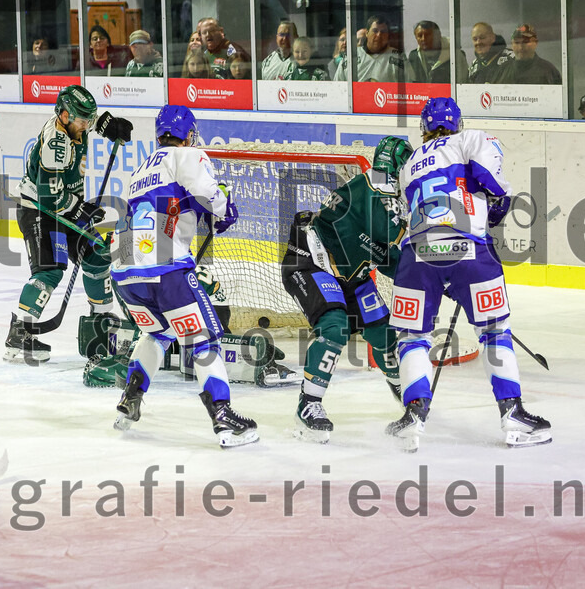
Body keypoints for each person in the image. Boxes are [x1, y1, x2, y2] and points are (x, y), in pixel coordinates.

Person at [386, 97, 552, 452]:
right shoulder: (471, 138)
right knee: (493, 330)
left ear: (424, 128)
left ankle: (413, 415)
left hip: (416, 255)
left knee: (412, 337)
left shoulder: (409, 165)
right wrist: (497, 208)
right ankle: (513, 415)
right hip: (468, 250)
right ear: (457, 123)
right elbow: (492, 183)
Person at [109, 104, 258, 448]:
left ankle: (130, 398)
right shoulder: (187, 154)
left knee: (157, 333)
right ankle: (222, 415)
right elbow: (207, 193)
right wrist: (223, 209)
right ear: (188, 134)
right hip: (164, 266)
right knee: (204, 340)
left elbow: (169, 208)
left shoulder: (141, 169)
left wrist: (206, 214)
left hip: (125, 266)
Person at [281, 136, 412, 442]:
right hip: (313, 261)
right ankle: (309, 404)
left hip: (351, 270)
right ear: (398, 166)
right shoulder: (379, 187)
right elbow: (390, 244)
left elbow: (384, 256)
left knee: (383, 330)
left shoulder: (385, 190)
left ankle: (403, 389)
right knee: (335, 327)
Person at [4, 85, 134, 362]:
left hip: (66, 210)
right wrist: (82, 209)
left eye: (89, 119)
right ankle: (20, 333)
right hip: (41, 210)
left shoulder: (76, 122)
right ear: (63, 115)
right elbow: (51, 199)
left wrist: (111, 125)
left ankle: (99, 325)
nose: (86, 125)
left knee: (98, 253)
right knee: (50, 271)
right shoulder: (56, 144)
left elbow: (93, 120)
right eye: (81, 120)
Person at [333, 15, 406, 82]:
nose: (379, 35)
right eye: (375, 31)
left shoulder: (399, 57)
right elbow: (337, 87)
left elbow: (411, 87)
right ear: (367, 33)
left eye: (383, 32)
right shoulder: (351, 57)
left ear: (388, 35)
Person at [497, 24, 561, 85]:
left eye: (525, 42)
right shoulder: (503, 69)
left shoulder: (548, 70)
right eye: (516, 42)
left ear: (535, 43)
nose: (520, 47)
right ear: (511, 45)